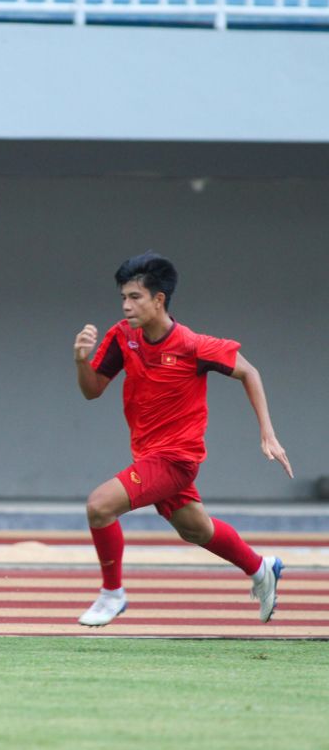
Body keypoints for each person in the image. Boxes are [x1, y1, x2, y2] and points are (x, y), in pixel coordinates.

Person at [73, 251, 293, 627]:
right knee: (197, 529)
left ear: (159, 299)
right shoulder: (122, 337)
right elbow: (92, 391)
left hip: (176, 459)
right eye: (123, 298)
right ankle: (261, 569)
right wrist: (81, 360)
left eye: (135, 297)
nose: (126, 306)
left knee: (99, 506)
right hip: (147, 454)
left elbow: (248, 371)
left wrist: (268, 433)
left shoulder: (193, 346)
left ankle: (113, 594)